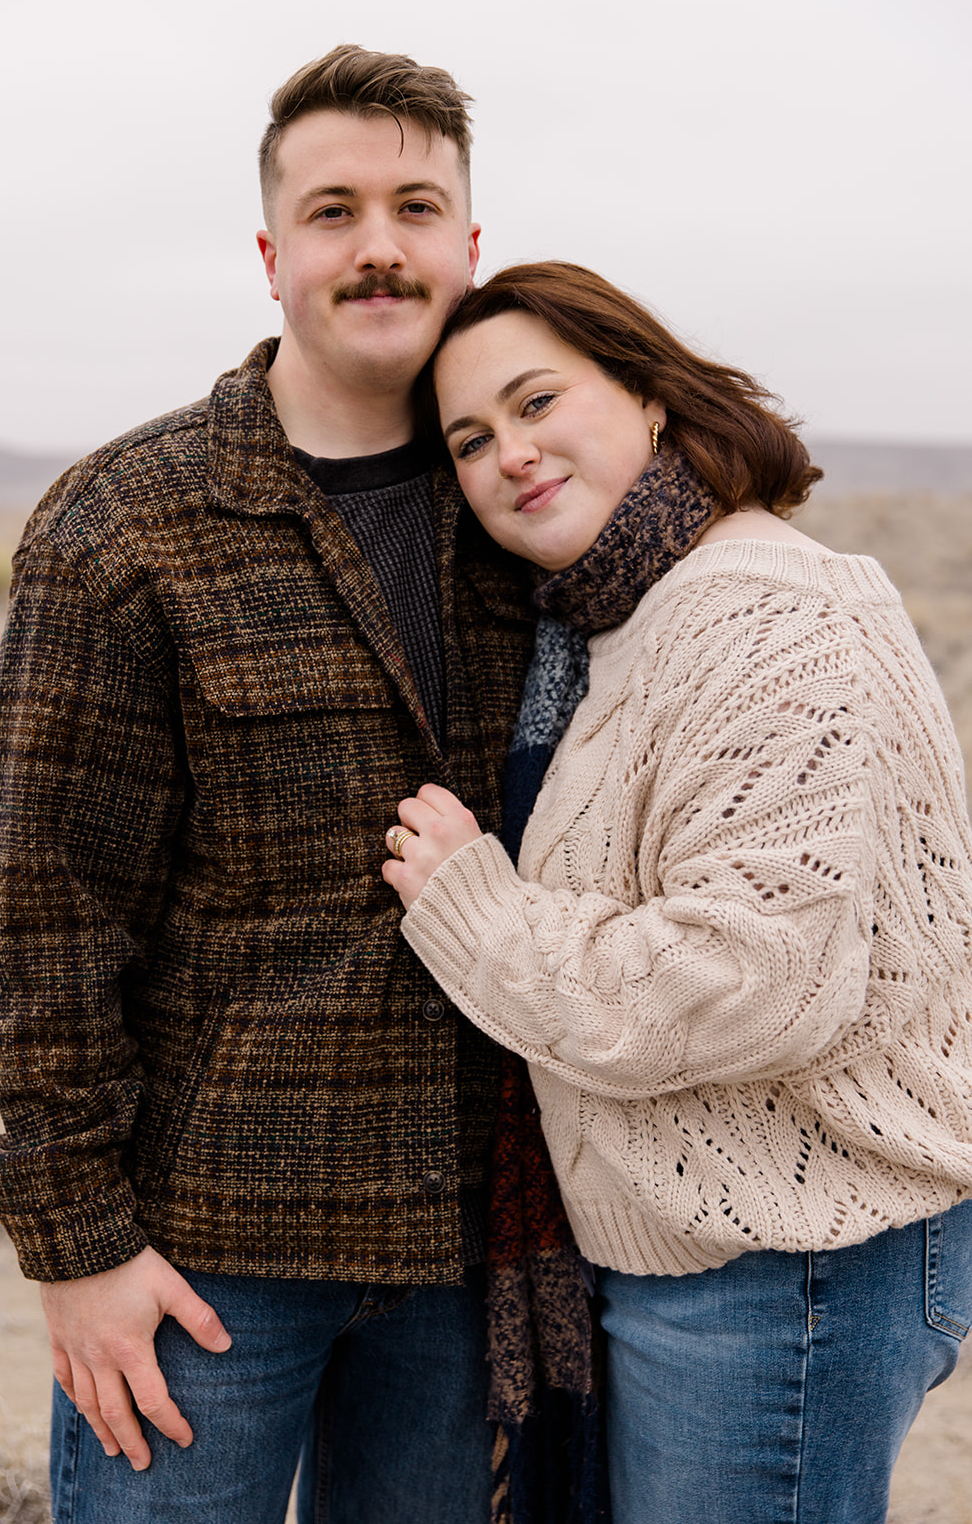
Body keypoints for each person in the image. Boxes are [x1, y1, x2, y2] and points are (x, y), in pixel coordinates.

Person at [0, 47, 537, 1524]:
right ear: (273, 254)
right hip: (203, 1251)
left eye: (415, 208)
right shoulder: (124, 524)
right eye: (333, 210)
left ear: (468, 247)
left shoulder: (530, 508)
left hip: (473, 1241)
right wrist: (79, 1245)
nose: (377, 245)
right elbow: (47, 919)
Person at [383, 261, 972, 1524]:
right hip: (728, 1244)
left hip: (789, 1260)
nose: (509, 453)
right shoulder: (621, 615)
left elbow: (754, 977)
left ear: (648, 395)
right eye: (470, 439)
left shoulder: (760, 616)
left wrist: (478, 920)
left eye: (538, 400)